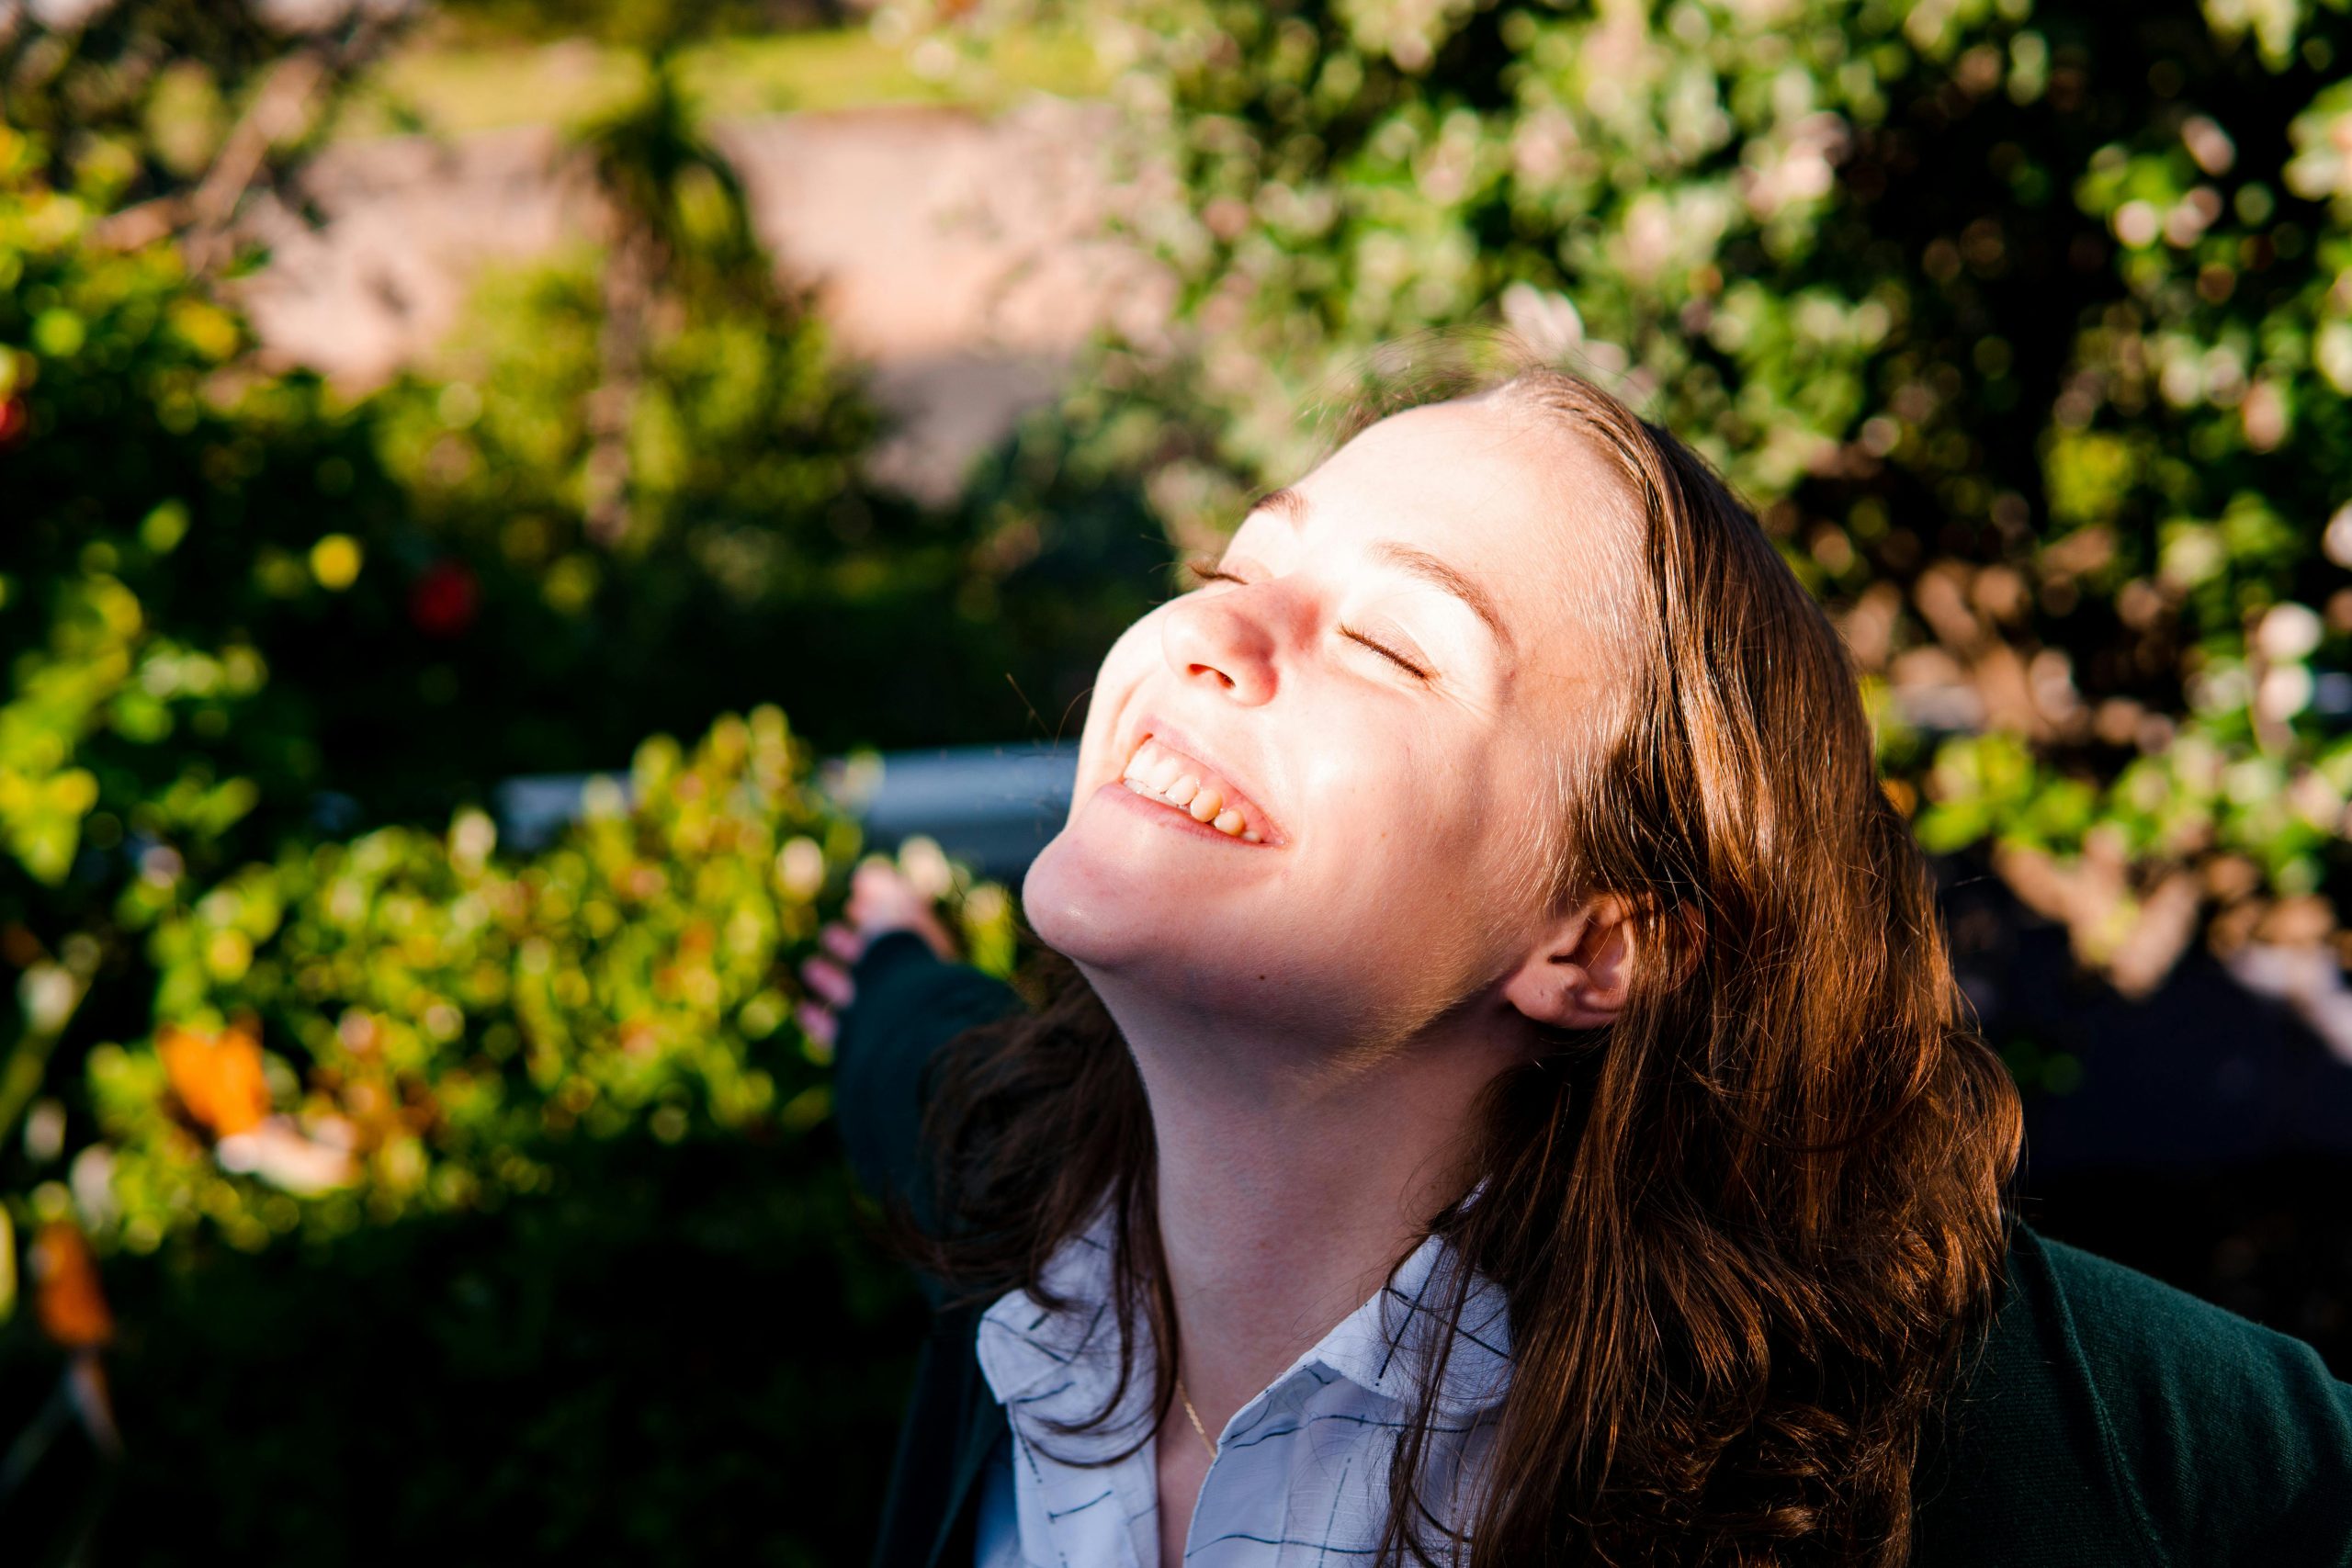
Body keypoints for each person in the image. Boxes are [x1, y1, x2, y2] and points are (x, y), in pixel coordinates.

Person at [797, 364, 2352, 1567]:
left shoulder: (1903, 1419)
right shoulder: (999, 1185)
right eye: (1240, 564)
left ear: (1596, 940)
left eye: (1396, 645)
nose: (1217, 634)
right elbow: (915, 1059)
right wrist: (884, 973)